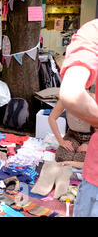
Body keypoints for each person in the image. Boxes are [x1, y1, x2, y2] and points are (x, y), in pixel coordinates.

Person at [58, 19, 98, 217]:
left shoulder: (90, 98)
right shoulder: (93, 32)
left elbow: (73, 94)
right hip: (76, 138)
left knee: (75, 160)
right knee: (62, 156)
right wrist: (61, 141)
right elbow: (69, 97)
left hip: (89, 142)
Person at [49, 92, 94, 169]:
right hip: (73, 135)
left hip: (92, 137)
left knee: (82, 160)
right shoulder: (66, 98)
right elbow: (52, 118)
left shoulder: (94, 99)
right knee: (61, 157)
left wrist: (90, 145)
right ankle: (71, 159)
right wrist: (61, 141)